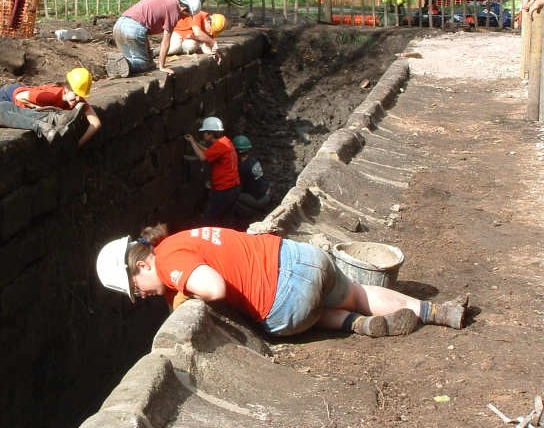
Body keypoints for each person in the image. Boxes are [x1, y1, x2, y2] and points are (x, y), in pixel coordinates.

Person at [96, 224, 469, 338]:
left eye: (136, 291)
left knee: (284, 316)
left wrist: (179, 293)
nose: (143, 296)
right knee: (355, 292)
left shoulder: (166, 265)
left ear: (139, 268)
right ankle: (435, 311)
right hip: (303, 257)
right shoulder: (179, 239)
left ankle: (353, 325)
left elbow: (214, 289)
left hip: (287, 302)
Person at [106, 0, 201, 78]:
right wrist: (162, 66)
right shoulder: (174, 12)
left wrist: (150, 58)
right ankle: (124, 63)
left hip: (119, 24)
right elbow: (165, 41)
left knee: (131, 65)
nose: (186, 17)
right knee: (143, 64)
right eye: (188, 15)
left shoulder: (167, 1)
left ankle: (116, 63)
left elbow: (145, 31)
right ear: (184, 9)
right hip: (133, 29)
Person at [10, 68, 102, 148]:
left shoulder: (78, 99)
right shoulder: (51, 96)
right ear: (66, 88)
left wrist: (78, 144)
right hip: (9, 96)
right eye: (76, 94)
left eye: (81, 96)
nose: (78, 99)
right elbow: (19, 97)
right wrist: (42, 110)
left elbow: (95, 123)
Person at [184, 117, 241, 226]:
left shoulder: (220, 145)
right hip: (234, 187)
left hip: (224, 190)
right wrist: (194, 142)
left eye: (204, 132)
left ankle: (205, 241)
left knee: (207, 221)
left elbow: (202, 157)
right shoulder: (225, 141)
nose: (203, 135)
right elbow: (209, 152)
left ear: (211, 134)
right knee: (226, 221)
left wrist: (192, 143)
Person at [231, 135, 272, 221]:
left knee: (230, 197)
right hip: (267, 193)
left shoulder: (243, 167)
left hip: (260, 200)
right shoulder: (253, 160)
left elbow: (238, 187)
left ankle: (251, 214)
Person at [157, 12, 226, 62]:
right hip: (176, 32)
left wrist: (212, 52)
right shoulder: (198, 14)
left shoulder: (210, 30)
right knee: (175, 47)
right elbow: (198, 33)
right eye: (211, 31)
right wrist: (214, 42)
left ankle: (177, 50)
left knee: (191, 47)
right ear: (209, 22)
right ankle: (155, 52)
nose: (211, 33)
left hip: (187, 39)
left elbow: (206, 47)